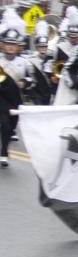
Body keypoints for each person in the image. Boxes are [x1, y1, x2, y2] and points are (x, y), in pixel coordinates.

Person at [1, 12, 31, 167]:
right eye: (7, 43)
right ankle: (4, 153)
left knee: (12, 125)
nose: (11, 47)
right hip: (1, 98)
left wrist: (24, 83)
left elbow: (31, 80)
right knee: (4, 124)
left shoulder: (24, 62)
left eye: (13, 44)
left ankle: (4, 143)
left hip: (16, 99)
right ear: (2, 44)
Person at [25, 20, 53, 106]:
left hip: (50, 94)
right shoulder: (31, 60)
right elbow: (30, 79)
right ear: (37, 47)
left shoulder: (52, 57)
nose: (43, 48)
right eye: (41, 46)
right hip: (37, 95)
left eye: (45, 46)